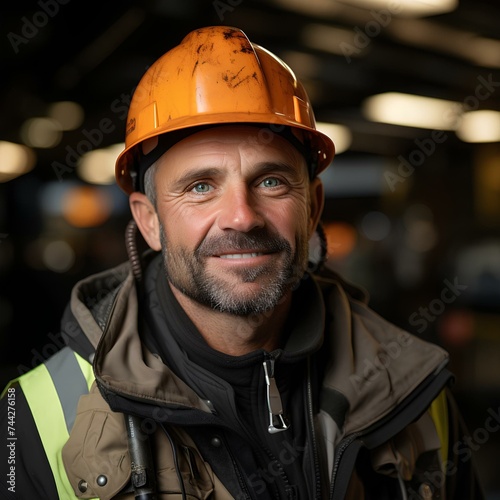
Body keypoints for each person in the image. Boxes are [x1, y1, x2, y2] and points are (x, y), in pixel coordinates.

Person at [0, 25, 484, 500]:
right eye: (200, 187)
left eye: (271, 180)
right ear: (149, 222)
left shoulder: (415, 392)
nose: (242, 217)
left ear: (313, 206)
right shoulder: (35, 422)